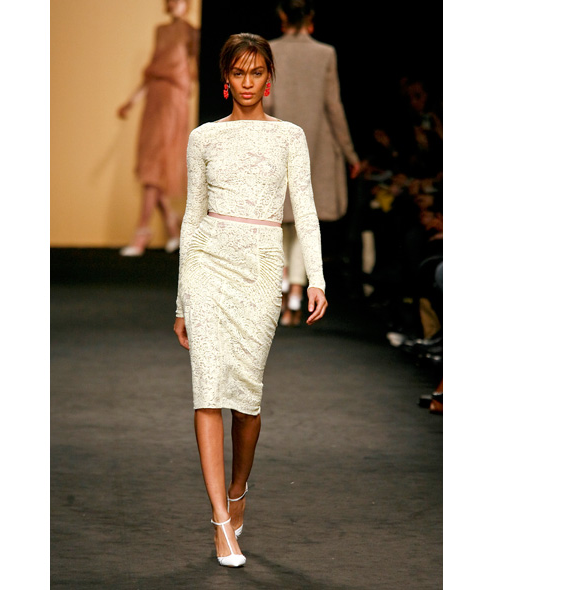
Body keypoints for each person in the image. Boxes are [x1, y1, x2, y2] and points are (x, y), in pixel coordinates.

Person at [173, 33, 328, 568]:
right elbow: (192, 216)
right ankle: (221, 521)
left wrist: (316, 278)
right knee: (207, 390)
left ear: (269, 78)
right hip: (207, 265)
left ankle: (239, 486)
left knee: (247, 398)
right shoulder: (203, 138)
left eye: (256, 72)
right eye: (238, 72)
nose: (247, 81)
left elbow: (305, 208)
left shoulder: (289, 136)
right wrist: (181, 302)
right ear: (225, 79)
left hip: (261, 267)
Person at [265, 0, 362, 325]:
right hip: (315, 145)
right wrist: (350, 153)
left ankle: (281, 287)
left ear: (282, 19)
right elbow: (333, 106)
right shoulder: (325, 53)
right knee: (304, 221)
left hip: (278, 140)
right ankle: (296, 292)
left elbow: (266, 101)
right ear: (310, 21)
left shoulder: (271, 49)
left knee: (279, 219)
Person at [117, 0, 199, 256]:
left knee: (156, 163)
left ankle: (142, 230)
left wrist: (185, 80)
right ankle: (172, 227)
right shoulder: (161, 31)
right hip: (155, 96)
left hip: (174, 99)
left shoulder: (191, 33)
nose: (174, 4)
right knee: (152, 162)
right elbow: (151, 72)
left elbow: (196, 69)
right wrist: (131, 101)